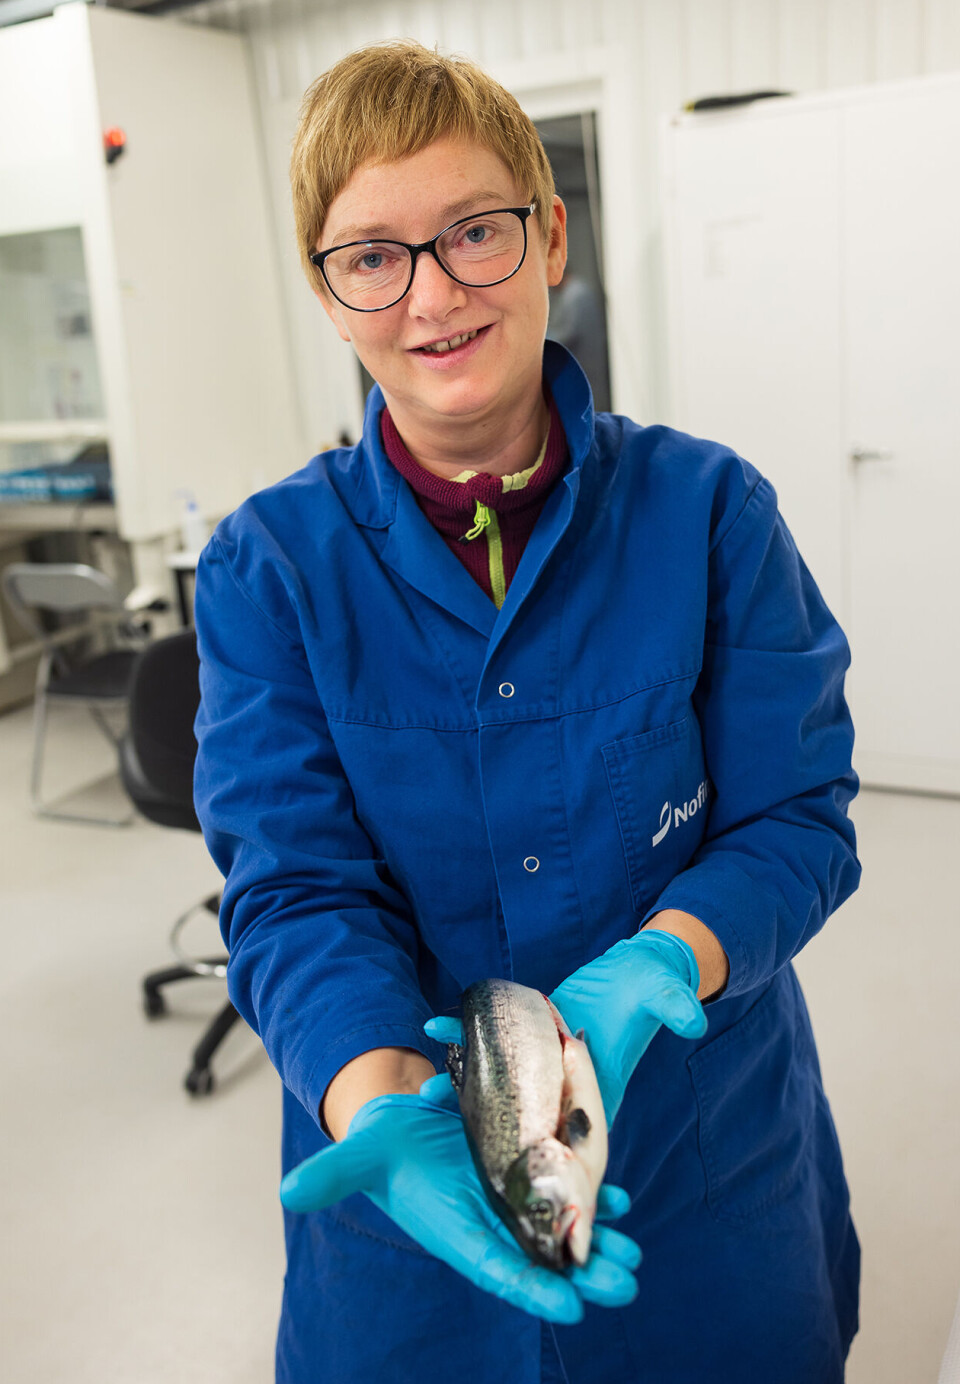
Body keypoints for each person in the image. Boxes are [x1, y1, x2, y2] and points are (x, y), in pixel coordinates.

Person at [193, 40, 861, 1384]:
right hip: (410, 1198)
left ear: (550, 236)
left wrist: (664, 960)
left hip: (702, 1168)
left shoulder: (712, 513)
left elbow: (799, 818)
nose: (431, 294)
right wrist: (375, 1101)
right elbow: (292, 891)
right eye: (371, 255)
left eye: (474, 233)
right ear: (329, 294)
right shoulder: (269, 568)